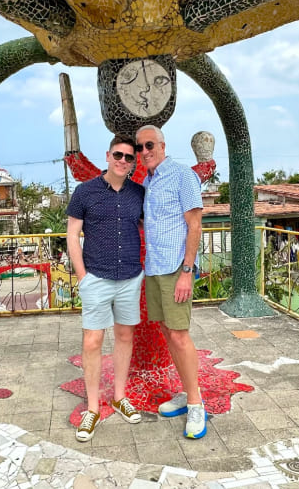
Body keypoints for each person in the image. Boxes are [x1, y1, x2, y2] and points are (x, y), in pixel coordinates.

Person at [66, 135, 144, 442]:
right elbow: (72, 235)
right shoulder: (85, 192)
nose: (123, 160)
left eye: (128, 157)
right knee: (92, 341)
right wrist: (82, 276)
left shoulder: (139, 192)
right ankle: (93, 407)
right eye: (118, 155)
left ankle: (119, 396)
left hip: (129, 277)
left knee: (125, 336)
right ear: (107, 155)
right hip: (96, 277)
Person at [136, 124, 207, 439]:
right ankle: (185, 393)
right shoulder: (149, 181)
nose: (145, 152)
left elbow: (195, 226)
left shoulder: (182, 175)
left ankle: (196, 405)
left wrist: (187, 272)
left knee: (179, 335)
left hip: (176, 269)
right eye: (140, 147)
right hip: (154, 268)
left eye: (149, 145)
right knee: (167, 332)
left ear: (162, 145)